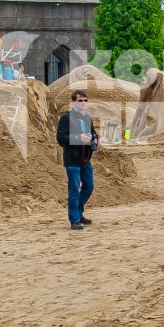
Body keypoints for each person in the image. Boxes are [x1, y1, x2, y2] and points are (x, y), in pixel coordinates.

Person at [56, 89, 98, 229]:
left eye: (85, 100)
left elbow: (93, 133)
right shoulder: (66, 118)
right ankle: (74, 220)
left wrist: (95, 140)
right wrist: (77, 138)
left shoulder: (87, 117)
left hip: (86, 159)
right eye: (80, 100)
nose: (83, 103)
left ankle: (79, 213)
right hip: (72, 160)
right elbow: (61, 139)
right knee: (74, 190)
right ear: (73, 102)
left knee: (89, 187)